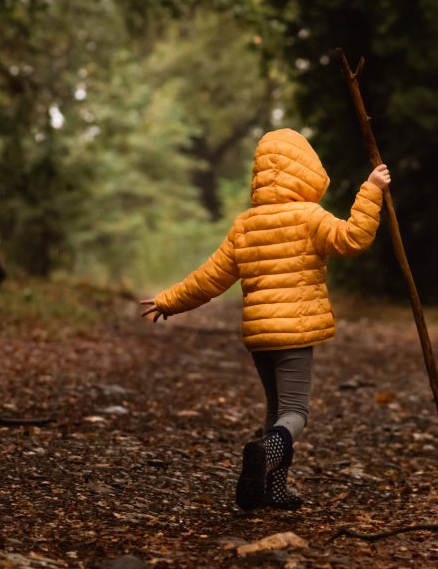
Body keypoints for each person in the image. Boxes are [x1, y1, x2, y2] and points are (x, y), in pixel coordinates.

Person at [140, 128, 390, 511]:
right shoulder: (309, 217)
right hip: (295, 334)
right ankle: (265, 453)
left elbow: (210, 279)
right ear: (306, 170)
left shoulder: (246, 225)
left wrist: (168, 301)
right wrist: (371, 189)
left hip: (260, 338)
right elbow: (353, 238)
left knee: (275, 411)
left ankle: (270, 489)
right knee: (295, 414)